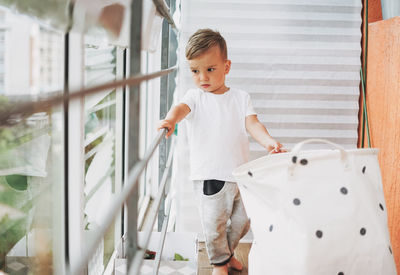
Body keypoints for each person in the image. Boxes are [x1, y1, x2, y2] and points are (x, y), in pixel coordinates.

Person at [158, 29, 283, 275]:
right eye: (195, 71)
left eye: (210, 69)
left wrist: (269, 142)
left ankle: (227, 255)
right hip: (211, 175)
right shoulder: (194, 97)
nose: (202, 77)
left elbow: (253, 124)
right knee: (214, 225)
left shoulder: (240, 98)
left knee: (243, 221)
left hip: (239, 174)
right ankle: (219, 264)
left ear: (226, 67)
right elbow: (179, 109)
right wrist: (170, 120)